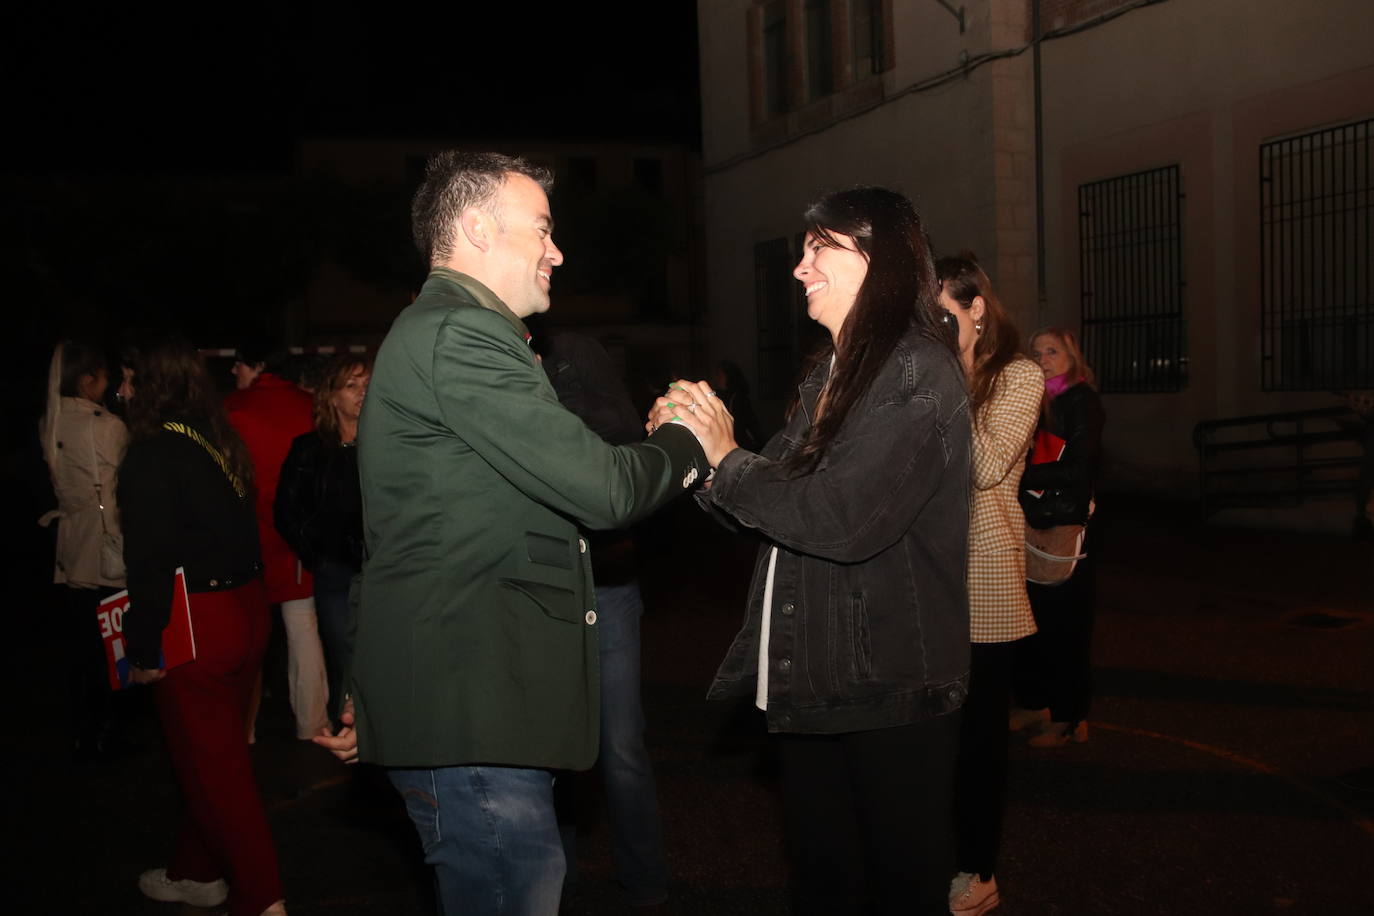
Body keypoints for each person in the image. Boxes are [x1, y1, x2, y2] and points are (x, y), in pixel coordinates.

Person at [314, 150, 716, 916]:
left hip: (466, 704)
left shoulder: (445, 331)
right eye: (541, 229)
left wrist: (369, 687)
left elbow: (398, 537)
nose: (556, 251)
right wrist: (692, 439)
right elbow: (602, 490)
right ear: (474, 227)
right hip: (471, 714)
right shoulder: (461, 334)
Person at [650, 187, 971, 915]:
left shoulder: (916, 372)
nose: (799, 267)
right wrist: (704, 457)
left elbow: (841, 521)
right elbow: (773, 505)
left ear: (881, 262)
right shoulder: (832, 371)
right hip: (818, 682)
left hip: (889, 689)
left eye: (820, 247)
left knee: (897, 891)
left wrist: (728, 457)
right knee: (827, 885)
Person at [119, 331, 285, 916]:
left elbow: (149, 561)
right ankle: (196, 872)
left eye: (129, 378)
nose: (121, 389)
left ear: (151, 384)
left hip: (197, 622)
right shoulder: (217, 437)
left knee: (221, 773)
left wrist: (141, 649)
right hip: (244, 611)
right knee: (208, 758)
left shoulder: (151, 450)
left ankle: (264, 901)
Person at [538, 327, 669, 906]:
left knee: (620, 747)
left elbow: (625, 431)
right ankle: (553, 888)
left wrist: (547, 400)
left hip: (606, 582)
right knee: (550, 749)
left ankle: (646, 883)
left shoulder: (571, 350)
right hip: (539, 585)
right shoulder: (482, 348)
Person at [936, 254, 1043, 916]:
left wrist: (950, 379)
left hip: (987, 579)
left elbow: (984, 463)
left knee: (978, 743)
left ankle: (977, 871)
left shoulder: (1020, 377)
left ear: (977, 311)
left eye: (944, 314)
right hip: (925, 579)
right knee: (928, 739)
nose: (933, 329)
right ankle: (934, 852)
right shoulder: (931, 377)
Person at [225, 341, 329, 740]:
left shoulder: (232, 409)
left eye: (238, 365)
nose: (234, 372)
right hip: (296, 540)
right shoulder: (308, 407)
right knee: (303, 629)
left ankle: (243, 730)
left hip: (247, 538)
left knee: (249, 638)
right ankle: (312, 723)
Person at [1013, 327, 1106, 748]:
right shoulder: (1040, 402)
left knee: (1068, 625)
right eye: (1036, 352)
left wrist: (1021, 473)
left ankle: (1070, 718)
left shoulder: (1080, 401)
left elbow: (1078, 467)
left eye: (1052, 351)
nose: (1043, 358)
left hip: (1066, 528)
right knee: (1035, 622)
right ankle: (1037, 702)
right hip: (1037, 523)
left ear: (1071, 355)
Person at [38, 340, 129, 760]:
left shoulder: (50, 422)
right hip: (106, 544)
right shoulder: (106, 425)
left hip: (72, 543)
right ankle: (111, 728)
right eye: (104, 376)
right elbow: (121, 491)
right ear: (87, 379)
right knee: (116, 644)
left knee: (84, 644)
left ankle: (84, 727)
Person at [273, 354, 371, 721]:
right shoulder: (309, 450)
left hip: (387, 571)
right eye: (352, 385)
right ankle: (354, 743)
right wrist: (317, 554)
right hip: (337, 576)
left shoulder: (392, 446)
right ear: (331, 396)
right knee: (346, 661)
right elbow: (286, 511)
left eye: (368, 383)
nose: (363, 392)